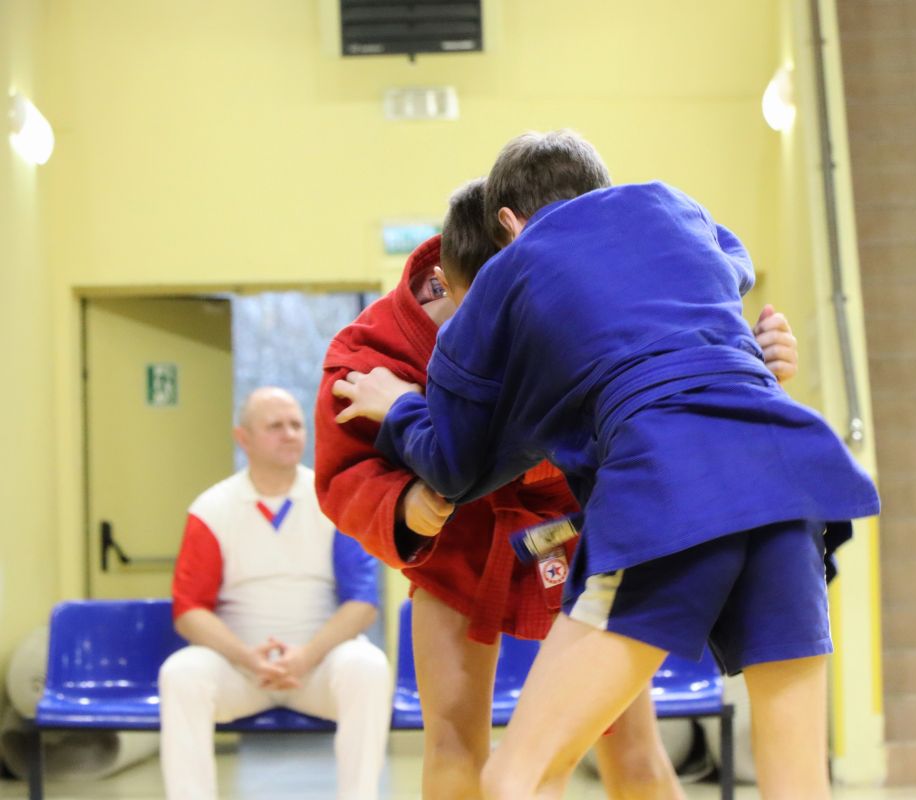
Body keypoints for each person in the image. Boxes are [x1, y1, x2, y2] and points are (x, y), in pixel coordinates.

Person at [333, 130, 879, 799]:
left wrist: (399, 409)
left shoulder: (513, 268)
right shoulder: (672, 209)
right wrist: (749, 345)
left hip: (667, 490)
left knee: (517, 775)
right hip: (787, 475)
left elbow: (455, 469)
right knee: (799, 785)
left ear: (508, 225)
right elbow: (729, 266)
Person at [159, 387, 391, 800]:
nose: (289, 434)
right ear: (243, 438)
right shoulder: (211, 509)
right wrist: (248, 658)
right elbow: (189, 610)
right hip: (240, 670)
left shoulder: (333, 501)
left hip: (317, 668)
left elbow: (362, 603)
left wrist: (305, 657)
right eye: (275, 426)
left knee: (369, 666)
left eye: (296, 425)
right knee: (181, 673)